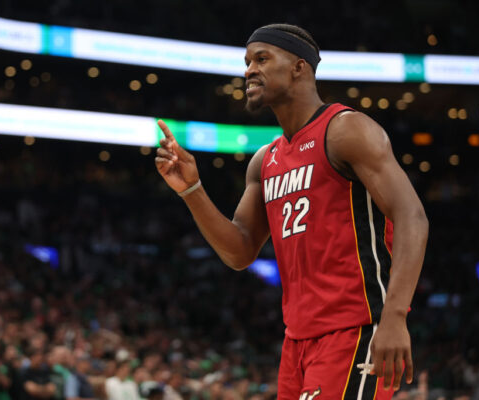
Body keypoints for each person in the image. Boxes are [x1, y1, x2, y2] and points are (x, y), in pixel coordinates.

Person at [155, 23, 428, 399]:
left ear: (300, 67)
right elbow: (239, 251)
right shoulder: (264, 160)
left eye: (262, 59)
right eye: (247, 61)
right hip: (297, 342)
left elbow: (412, 217)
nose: (249, 69)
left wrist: (395, 316)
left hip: (356, 330)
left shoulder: (346, 131)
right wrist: (191, 189)